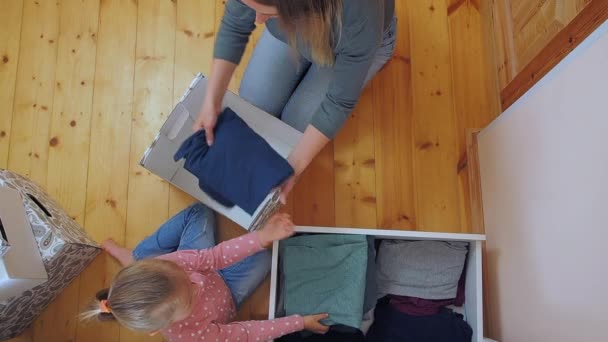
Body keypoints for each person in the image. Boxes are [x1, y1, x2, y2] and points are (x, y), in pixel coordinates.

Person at [194, 0, 397, 203]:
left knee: (296, 125)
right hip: (301, 29)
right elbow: (235, 24)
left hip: (351, 39)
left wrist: (293, 167)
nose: (257, 20)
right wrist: (212, 100)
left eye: (267, 14)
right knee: (254, 101)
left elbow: (338, 102)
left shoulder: (360, 16)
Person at [81, 203, 329, 341]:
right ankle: (134, 258)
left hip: (210, 270)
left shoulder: (173, 265)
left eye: (186, 280)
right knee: (265, 258)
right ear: (159, 329)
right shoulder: (191, 337)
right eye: (189, 296)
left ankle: (136, 257)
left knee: (199, 212)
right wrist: (299, 322)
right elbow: (246, 332)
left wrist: (261, 236)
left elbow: (215, 257)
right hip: (228, 292)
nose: (196, 284)